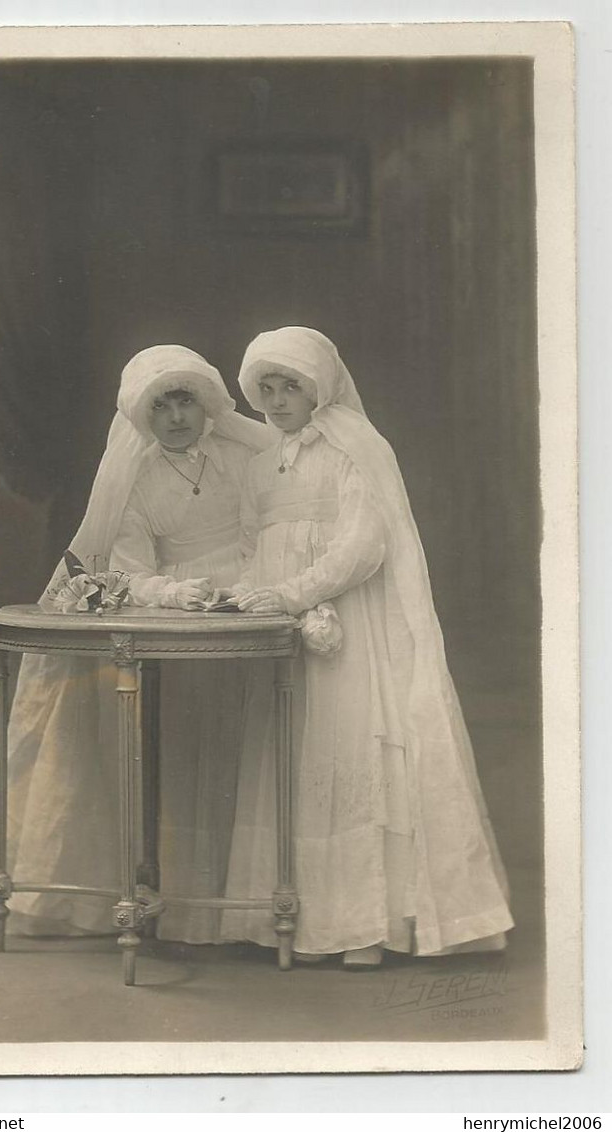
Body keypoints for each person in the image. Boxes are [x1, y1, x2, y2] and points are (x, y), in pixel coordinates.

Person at [220, 326, 513, 966]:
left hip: (347, 622)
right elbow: (249, 543)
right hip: (281, 625)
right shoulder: (258, 463)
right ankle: (299, 920)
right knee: (292, 753)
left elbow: (363, 543)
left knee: (349, 744)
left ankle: (367, 925)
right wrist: (253, 596)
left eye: (289, 386)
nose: (276, 400)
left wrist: (299, 591)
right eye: (264, 388)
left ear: (318, 386)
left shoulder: (354, 446)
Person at [0, 345, 267, 939]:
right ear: (142, 416)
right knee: (174, 746)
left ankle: (237, 907)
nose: (177, 416)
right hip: (179, 609)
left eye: (185, 400)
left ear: (206, 404)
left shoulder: (244, 457)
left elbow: (272, 528)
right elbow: (128, 566)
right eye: (161, 405)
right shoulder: (136, 478)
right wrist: (175, 595)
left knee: (244, 744)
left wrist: (256, 586)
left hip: (251, 596)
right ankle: (177, 904)